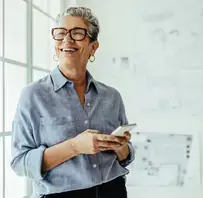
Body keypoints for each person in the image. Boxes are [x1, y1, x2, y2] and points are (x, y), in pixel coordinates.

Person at [10, 6, 135, 198]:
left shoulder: (112, 97)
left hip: (113, 190)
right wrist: (75, 146)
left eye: (77, 33)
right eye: (60, 33)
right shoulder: (33, 95)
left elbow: (126, 157)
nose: (67, 39)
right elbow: (20, 163)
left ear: (93, 47)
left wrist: (121, 148)